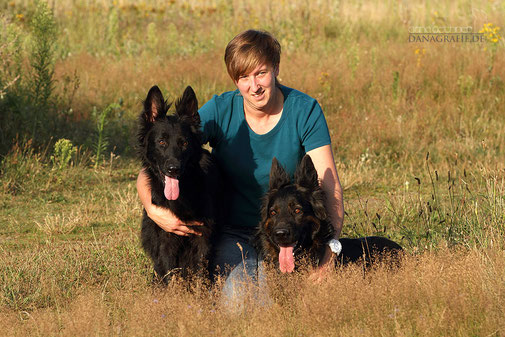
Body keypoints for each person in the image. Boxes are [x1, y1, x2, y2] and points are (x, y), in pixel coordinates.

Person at [137, 29, 344, 297]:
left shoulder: (305, 110)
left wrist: (330, 253)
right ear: (235, 80)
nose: (254, 86)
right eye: (243, 77)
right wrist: (153, 210)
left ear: (276, 68)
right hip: (232, 231)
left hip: (288, 231)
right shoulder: (221, 109)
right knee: (238, 300)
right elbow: (160, 161)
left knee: (285, 298)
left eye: (260, 73)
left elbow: (331, 188)